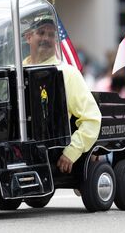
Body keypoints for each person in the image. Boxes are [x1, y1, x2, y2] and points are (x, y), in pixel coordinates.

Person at [22, 15, 102, 174]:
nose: (46, 38)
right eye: (41, 32)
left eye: (51, 35)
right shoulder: (15, 71)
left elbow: (92, 118)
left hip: (50, 151)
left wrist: (72, 152)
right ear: (28, 37)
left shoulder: (67, 73)